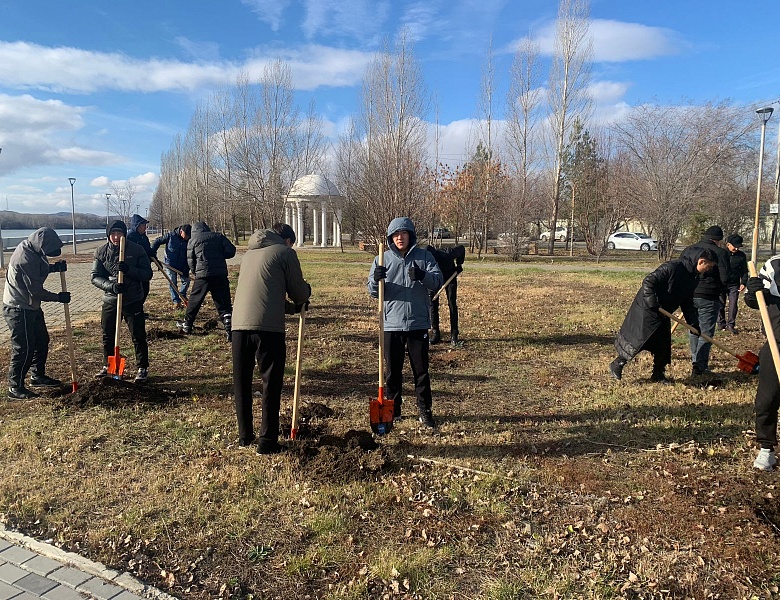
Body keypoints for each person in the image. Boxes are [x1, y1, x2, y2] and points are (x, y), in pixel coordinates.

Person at [231, 223, 311, 454]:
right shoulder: (285, 253)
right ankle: (267, 441)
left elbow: (265, 293)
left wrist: (290, 309)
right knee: (271, 381)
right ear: (287, 240)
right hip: (268, 330)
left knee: (242, 381)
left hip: (239, 325)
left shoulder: (249, 255)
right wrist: (306, 293)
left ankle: (245, 436)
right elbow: (299, 292)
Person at [368, 217, 443, 427]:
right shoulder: (382, 259)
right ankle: (393, 409)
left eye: (404, 233)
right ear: (391, 238)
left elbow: (437, 282)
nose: (400, 237)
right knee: (392, 372)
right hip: (391, 324)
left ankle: (425, 410)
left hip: (417, 323)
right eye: (396, 234)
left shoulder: (424, 257)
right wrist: (376, 279)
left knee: (421, 372)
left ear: (411, 235)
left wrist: (422, 275)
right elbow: (373, 292)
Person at [610, 249, 717, 382]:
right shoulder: (672, 267)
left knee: (662, 343)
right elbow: (649, 281)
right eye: (709, 266)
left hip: (663, 311)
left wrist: (693, 322)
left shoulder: (693, 277)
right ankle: (617, 364)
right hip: (647, 308)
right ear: (701, 261)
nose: (709, 270)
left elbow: (687, 301)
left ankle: (658, 374)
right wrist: (651, 300)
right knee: (639, 339)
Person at [3, 227, 70, 398]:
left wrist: (54, 268)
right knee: (24, 348)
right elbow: (36, 291)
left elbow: (39, 267)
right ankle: (15, 387)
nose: (49, 254)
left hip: (30, 306)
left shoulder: (34, 249)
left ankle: (37, 376)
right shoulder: (24, 258)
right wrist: (58, 297)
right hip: (18, 308)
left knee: (41, 341)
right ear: (42, 244)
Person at [91, 220, 153, 383]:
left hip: (133, 299)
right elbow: (95, 277)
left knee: (138, 335)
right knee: (108, 335)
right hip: (111, 300)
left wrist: (129, 270)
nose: (116, 237)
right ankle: (110, 366)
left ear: (124, 234)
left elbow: (147, 274)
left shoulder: (136, 249)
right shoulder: (101, 251)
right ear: (108, 235)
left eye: (119, 233)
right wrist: (111, 286)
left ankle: (142, 367)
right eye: (113, 233)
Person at [679, 225, 731, 376]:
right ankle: (700, 366)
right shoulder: (720, 253)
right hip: (709, 295)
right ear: (717, 241)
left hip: (688, 295)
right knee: (706, 332)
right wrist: (721, 290)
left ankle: (696, 361)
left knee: (694, 329)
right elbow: (725, 277)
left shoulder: (689, 249)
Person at [745, 258, 780, 470]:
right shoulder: (775, 267)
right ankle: (767, 448)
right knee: (767, 399)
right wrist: (753, 292)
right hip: (777, 343)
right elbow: (755, 301)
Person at [178, 221, 236, 339]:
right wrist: (219, 256)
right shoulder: (218, 236)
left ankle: (187, 324)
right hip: (220, 274)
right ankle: (228, 324)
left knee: (195, 300)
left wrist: (195, 271)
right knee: (223, 301)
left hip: (202, 275)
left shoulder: (192, 241)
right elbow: (231, 251)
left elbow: (190, 260)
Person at [427, 244, 466, 347]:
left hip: (450, 277)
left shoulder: (449, 253)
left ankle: (454, 334)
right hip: (435, 278)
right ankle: (435, 333)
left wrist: (459, 265)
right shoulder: (428, 256)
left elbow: (462, 248)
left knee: (452, 304)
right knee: (433, 303)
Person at [151, 224, 192, 309]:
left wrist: (186, 268)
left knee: (187, 281)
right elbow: (157, 241)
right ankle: (176, 301)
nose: (188, 237)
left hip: (182, 265)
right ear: (181, 232)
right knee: (173, 283)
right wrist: (153, 253)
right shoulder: (170, 236)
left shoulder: (189, 240)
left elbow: (190, 255)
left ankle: (182, 294)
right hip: (170, 264)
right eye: (187, 235)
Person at [717, 234, 748, 335]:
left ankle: (731, 325)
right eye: (734, 246)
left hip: (734, 284)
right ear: (728, 244)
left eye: (738, 246)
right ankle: (721, 323)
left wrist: (743, 282)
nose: (736, 248)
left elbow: (744, 271)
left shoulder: (741, 256)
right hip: (721, 283)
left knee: (733, 304)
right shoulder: (721, 254)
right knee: (720, 304)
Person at [127, 214, 154, 303]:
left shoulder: (144, 237)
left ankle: (140, 309)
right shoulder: (130, 237)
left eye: (145, 225)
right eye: (143, 225)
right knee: (137, 291)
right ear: (137, 226)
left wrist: (154, 257)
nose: (145, 227)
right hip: (135, 269)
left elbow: (148, 250)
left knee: (145, 289)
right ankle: (136, 311)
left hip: (144, 268)